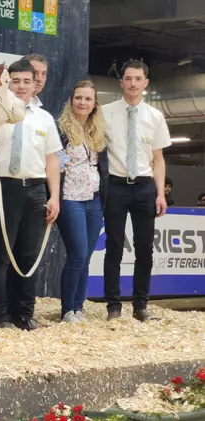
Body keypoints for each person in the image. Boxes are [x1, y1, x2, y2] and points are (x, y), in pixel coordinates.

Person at [0, 58, 62, 331]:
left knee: (29, 254)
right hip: (3, 187)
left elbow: (52, 161)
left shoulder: (45, 118)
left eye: (27, 81)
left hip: (35, 189)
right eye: (16, 81)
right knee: (2, 254)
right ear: (7, 83)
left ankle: (23, 314)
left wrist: (54, 196)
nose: (22, 86)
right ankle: (0, 316)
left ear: (34, 84)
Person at [101, 59, 171, 322]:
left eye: (137, 79)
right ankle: (113, 307)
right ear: (121, 83)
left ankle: (141, 305)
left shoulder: (155, 117)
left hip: (144, 187)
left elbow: (159, 158)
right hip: (116, 186)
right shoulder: (105, 112)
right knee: (114, 247)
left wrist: (160, 193)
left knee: (144, 249)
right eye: (128, 79)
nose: (132, 84)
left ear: (146, 83)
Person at [55, 80, 109, 323]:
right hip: (70, 199)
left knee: (86, 257)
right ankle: (67, 309)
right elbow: (54, 164)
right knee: (77, 254)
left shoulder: (96, 132)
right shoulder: (61, 131)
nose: (83, 102)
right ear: (71, 100)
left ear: (94, 104)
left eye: (88, 99)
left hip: (94, 201)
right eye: (79, 97)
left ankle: (78, 307)